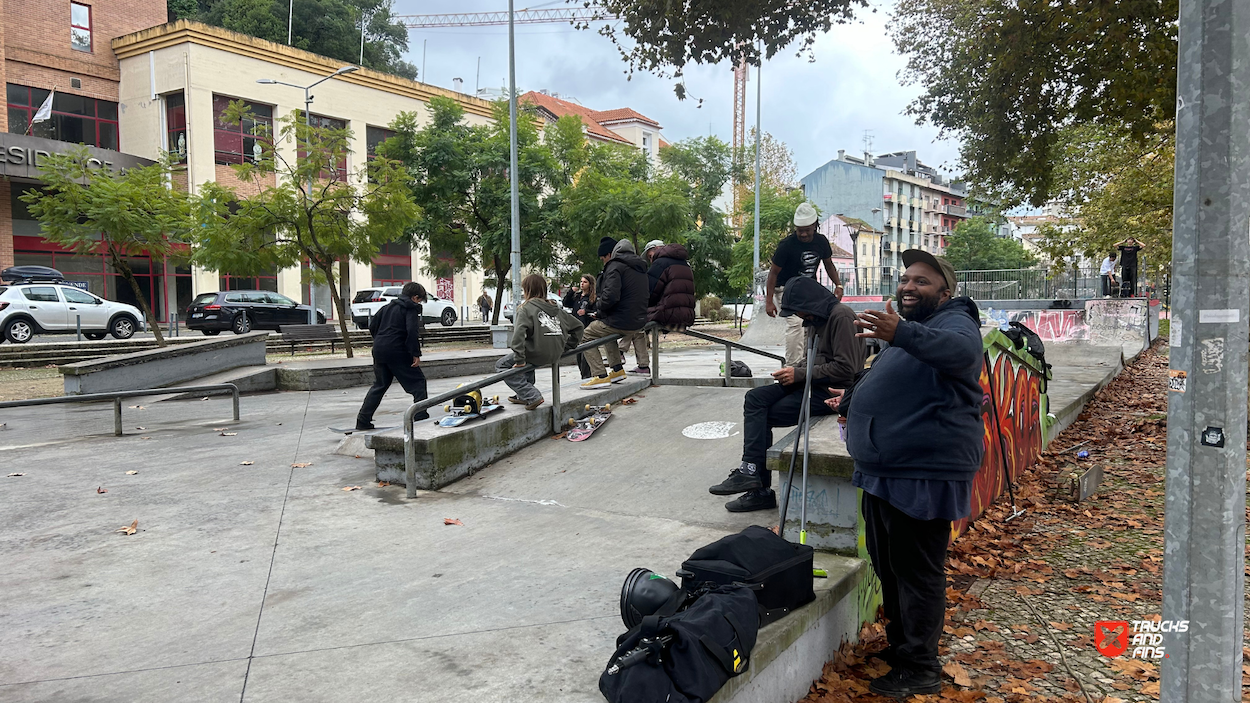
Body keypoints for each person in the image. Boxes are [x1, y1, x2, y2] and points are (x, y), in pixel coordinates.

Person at [833, 249, 984, 699]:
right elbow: (907, 380)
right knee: (890, 566)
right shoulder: (918, 330)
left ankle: (920, 666)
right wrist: (854, 396)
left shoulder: (957, 321)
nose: (909, 286)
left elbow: (962, 353)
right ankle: (903, 648)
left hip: (923, 473)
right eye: (905, 279)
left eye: (921, 280)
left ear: (945, 290)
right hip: (886, 471)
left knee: (917, 572)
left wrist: (901, 332)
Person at [708, 276, 865, 512]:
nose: (800, 317)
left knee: (765, 416)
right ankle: (750, 471)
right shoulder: (815, 320)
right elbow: (812, 358)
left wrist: (800, 374)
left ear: (810, 303)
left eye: (800, 311)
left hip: (832, 392)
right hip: (811, 382)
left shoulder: (841, 316)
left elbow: (847, 368)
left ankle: (759, 489)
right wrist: (793, 371)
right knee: (755, 399)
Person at [766, 202, 845, 366]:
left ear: (815, 226)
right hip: (786, 290)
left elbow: (829, 265)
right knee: (796, 323)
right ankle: (793, 366)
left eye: (807, 230)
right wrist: (769, 301)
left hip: (808, 291)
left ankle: (808, 363)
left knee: (812, 324)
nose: (803, 234)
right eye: (800, 231)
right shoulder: (786, 245)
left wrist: (838, 285)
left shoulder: (821, 242)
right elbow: (773, 273)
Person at [496, 274, 584, 410]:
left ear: (527, 290)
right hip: (555, 353)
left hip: (537, 353)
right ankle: (523, 395)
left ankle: (531, 395)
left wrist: (519, 361)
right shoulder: (557, 309)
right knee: (528, 355)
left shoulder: (526, 309)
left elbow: (518, 338)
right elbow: (578, 327)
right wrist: (568, 346)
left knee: (502, 365)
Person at [356, 282, 430, 430]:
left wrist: (381, 340)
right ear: (415, 297)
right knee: (418, 383)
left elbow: (372, 326)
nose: (419, 303)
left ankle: (362, 420)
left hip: (379, 349)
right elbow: (412, 332)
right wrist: (415, 354)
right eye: (420, 300)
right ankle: (420, 416)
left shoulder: (386, 307)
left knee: (380, 385)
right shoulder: (410, 309)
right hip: (398, 350)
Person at [581, 237, 649, 388]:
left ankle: (600, 375)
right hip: (639, 321)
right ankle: (617, 370)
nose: (603, 262)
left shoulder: (615, 266)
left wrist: (598, 308)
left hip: (622, 321)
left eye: (603, 258)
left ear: (610, 254)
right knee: (604, 330)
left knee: (586, 335)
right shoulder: (641, 267)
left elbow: (610, 296)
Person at [645, 238, 696, 330]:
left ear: (657, 249)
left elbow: (650, 292)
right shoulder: (685, 264)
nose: (651, 261)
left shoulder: (659, 263)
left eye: (650, 256)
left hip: (667, 313)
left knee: (634, 318)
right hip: (687, 314)